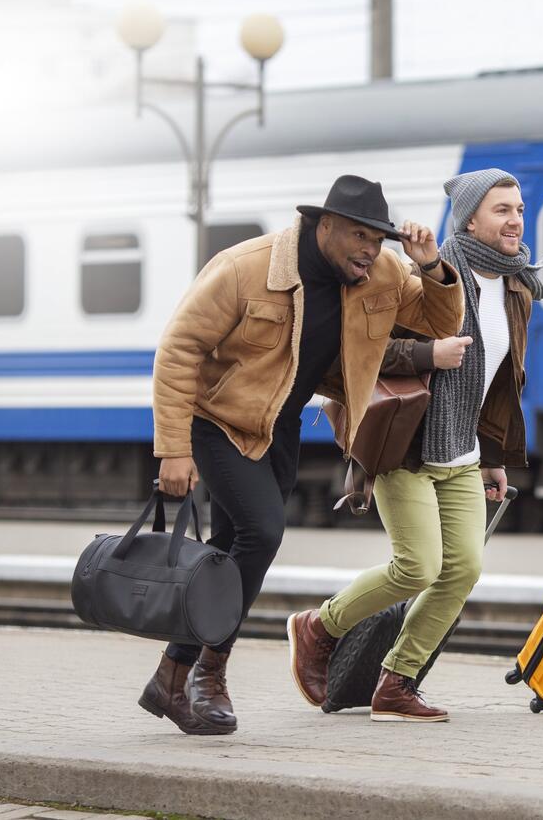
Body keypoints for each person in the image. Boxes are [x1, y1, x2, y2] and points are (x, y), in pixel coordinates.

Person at [142, 175, 465, 735]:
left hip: (280, 426)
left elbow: (440, 322)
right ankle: (204, 673)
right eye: (361, 235)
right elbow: (179, 348)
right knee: (260, 534)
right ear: (325, 225)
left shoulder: (382, 272)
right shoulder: (246, 268)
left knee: (229, 545)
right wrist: (173, 449)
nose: (371, 249)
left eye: (379, 238)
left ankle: (173, 675)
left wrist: (432, 267)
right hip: (218, 421)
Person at [288, 169, 542, 723]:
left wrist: (492, 458)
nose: (515, 220)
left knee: (463, 570)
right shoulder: (421, 276)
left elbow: (497, 382)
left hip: (462, 453)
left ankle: (397, 682)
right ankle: (319, 624)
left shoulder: (516, 283)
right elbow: (366, 354)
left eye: (519, 208)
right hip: (408, 446)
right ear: (470, 218)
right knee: (417, 566)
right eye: (501, 210)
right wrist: (429, 356)